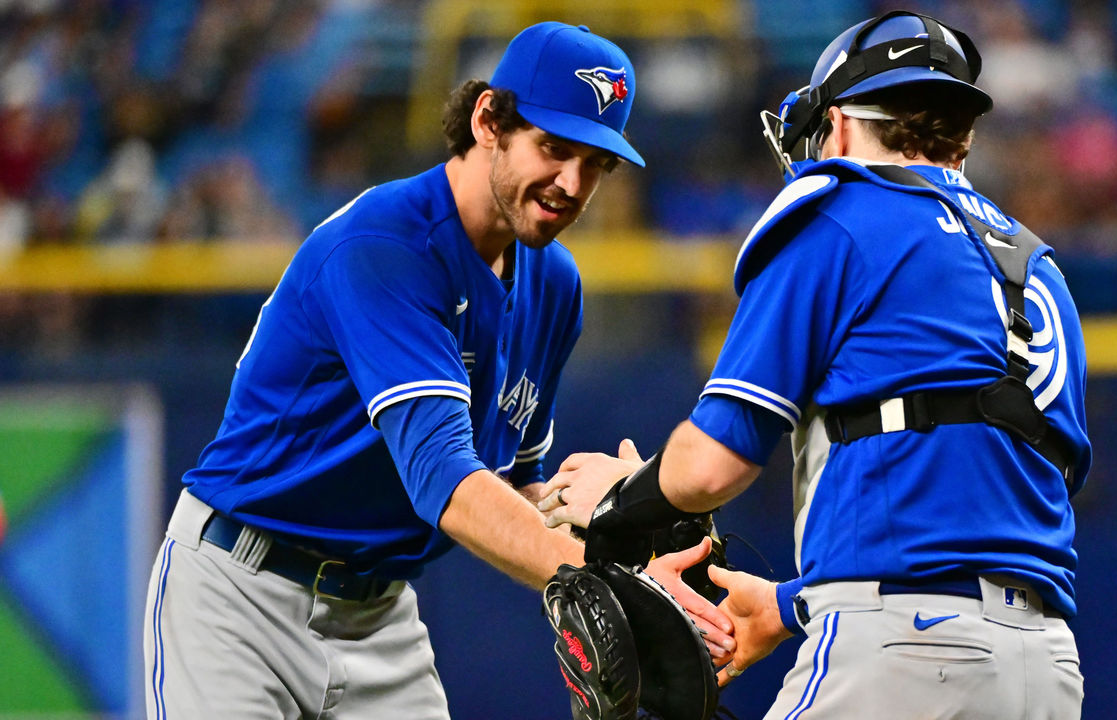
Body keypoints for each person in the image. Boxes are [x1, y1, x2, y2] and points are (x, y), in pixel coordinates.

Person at [142, 22, 731, 719]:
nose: (572, 182)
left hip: (378, 612)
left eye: (597, 162)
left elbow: (518, 486)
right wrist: (593, 579)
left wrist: (614, 531)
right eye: (554, 147)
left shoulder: (555, 285)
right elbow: (446, 480)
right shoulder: (386, 245)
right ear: (489, 121)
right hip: (242, 592)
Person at [540, 11, 1091, 719]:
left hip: (901, 657)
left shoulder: (841, 215)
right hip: (1044, 669)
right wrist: (785, 605)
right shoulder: (1040, 269)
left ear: (835, 126)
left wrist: (620, 497)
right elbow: (987, 515)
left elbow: (714, 466)